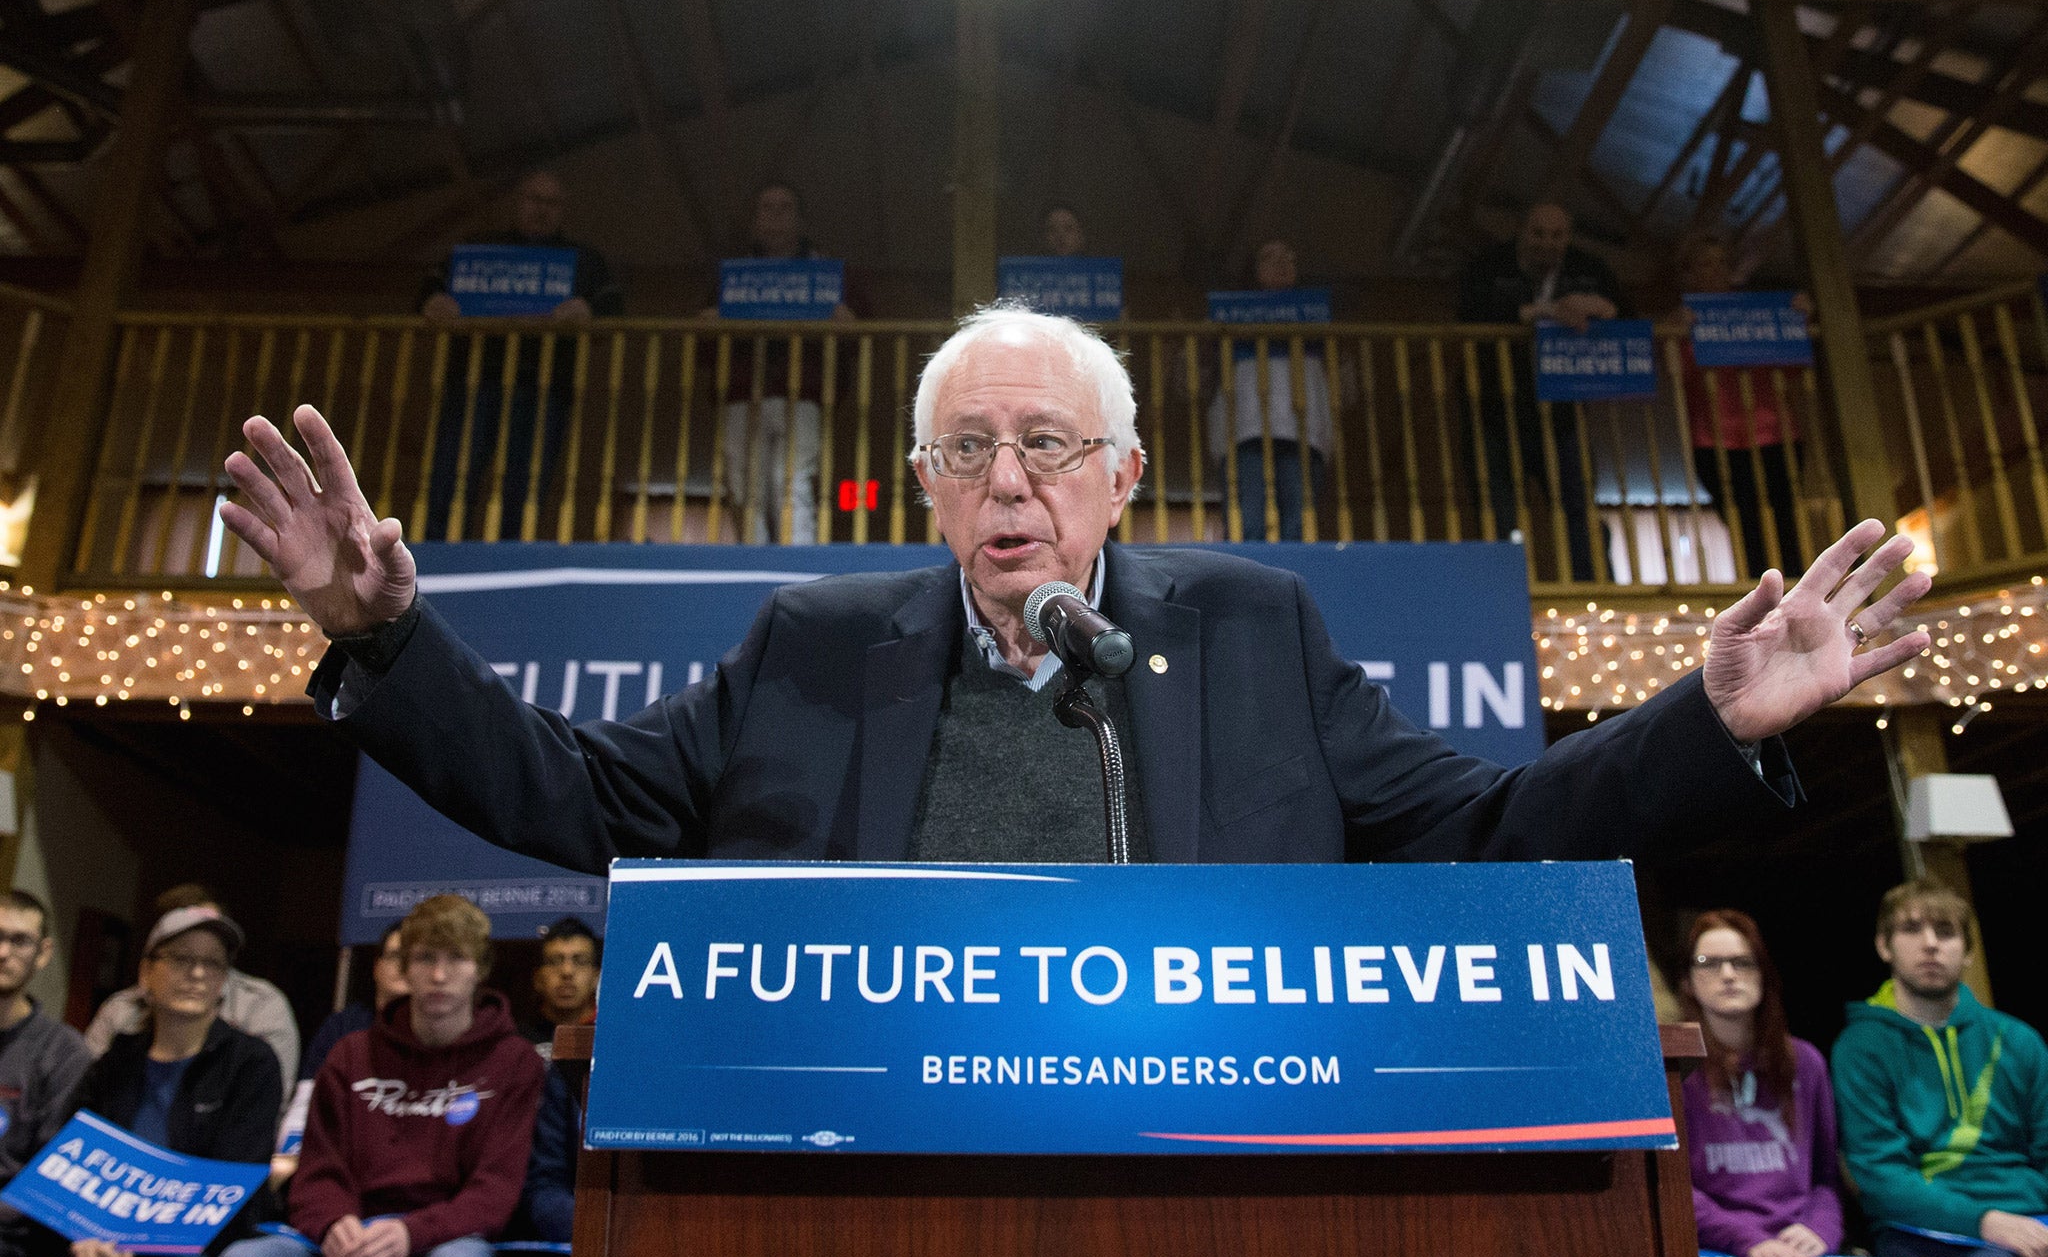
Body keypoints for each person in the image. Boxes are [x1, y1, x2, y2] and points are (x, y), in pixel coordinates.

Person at [222, 304, 1928, 876]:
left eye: (1046, 443)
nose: (1008, 483)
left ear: (1123, 475)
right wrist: (382, 635)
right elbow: (568, 793)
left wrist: (1706, 719)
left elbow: (1491, 829)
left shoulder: (1254, 630)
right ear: (922, 489)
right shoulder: (809, 650)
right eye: (968, 451)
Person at [208, 895, 544, 1257]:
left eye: (456, 958)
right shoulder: (351, 1054)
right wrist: (333, 1222)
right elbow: (318, 1170)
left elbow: (495, 1191)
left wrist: (410, 1232)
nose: (439, 975)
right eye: (424, 959)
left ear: (481, 969)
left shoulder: (514, 1061)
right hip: (352, 1236)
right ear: (403, 969)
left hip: (445, 1243)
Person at [17, 906, 282, 1257]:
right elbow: (68, 1158)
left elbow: (232, 1184)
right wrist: (82, 1237)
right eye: (182, 959)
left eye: (212, 964)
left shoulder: (250, 1064)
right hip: (98, 1241)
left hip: (200, 1248)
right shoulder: (114, 1063)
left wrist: (135, 1244)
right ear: (146, 973)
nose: (197, 974)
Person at [1832, 880, 2048, 1257]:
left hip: (2031, 1215)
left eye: (1945, 932)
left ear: (1967, 952)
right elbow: (1881, 1177)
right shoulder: (1860, 1047)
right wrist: (1986, 1221)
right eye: (1911, 930)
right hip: (1922, 1228)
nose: (1930, 944)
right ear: (1884, 946)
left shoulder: (2017, 1039)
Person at [1679, 910, 1891, 1257]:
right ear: (1688, 981)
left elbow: (1826, 1179)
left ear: (1764, 974)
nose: (1728, 974)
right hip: (1722, 1249)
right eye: (1710, 963)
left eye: (1742, 962)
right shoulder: (1676, 1071)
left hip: (1798, 1240)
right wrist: (1746, 1239)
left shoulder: (1805, 1062)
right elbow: (1677, 1191)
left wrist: (1820, 1230)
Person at [418, 170, 623, 542]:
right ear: (518, 203)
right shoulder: (481, 250)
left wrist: (587, 309)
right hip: (474, 380)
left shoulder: (584, 260)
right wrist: (435, 300)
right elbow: (431, 285)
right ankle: (441, 550)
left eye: (551, 203)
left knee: (524, 482)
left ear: (563, 211)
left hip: (543, 387)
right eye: (534, 200)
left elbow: (613, 304)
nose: (541, 210)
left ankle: (509, 554)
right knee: (453, 474)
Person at [1456, 201, 1627, 581]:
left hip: (1563, 413)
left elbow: (1626, 310)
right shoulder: (1488, 266)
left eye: (1557, 235)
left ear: (1567, 238)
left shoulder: (1589, 269)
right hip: (1494, 409)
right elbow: (1470, 309)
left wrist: (1602, 306)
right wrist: (1539, 312)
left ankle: (1596, 591)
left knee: (1578, 509)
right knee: (1501, 513)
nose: (1547, 243)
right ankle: (1507, 595)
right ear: (1522, 232)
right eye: (1538, 233)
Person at [717, 181, 859, 546]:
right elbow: (707, 328)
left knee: (793, 479)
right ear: (754, 219)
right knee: (743, 481)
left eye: (785, 209)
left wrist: (848, 321)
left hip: (803, 390)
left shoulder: (825, 272)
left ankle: (798, 559)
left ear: (800, 220)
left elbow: (858, 326)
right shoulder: (736, 274)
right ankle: (754, 558)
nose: (776, 217)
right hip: (743, 390)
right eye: (767, 208)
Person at [1669, 235, 1810, 578]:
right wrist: (1676, 333)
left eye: (1720, 264)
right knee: (1744, 523)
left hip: (1774, 430)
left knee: (1785, 518)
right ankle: (1762, 592)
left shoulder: (1759, 313)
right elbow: (1678, 375)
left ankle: (1794, 590)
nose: (1714, 271)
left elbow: (1792, 366)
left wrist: (1797, 320)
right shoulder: (1683, 320)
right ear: (1689, 274)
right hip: (1715, 439)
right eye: (1704, 264)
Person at [85, 886, 299, 1091]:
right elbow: (89, 1102)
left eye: (212, 958)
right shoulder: (121, 1023)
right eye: (182, 957)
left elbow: (267, 1104)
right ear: (148, 968)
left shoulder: (261, 1007)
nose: (198, 973)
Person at [1207, 238, 1333, 542]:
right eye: (1270, 257)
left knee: (1300, 525)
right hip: (1245, 431)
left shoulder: (1317, 318)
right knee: (1247, 524)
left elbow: (1347, 387)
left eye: (1289, 256)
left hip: (1303, 432)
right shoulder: (1229, 319)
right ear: (1253, 268)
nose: (1282, 262)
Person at [0, 890, 93, 1257]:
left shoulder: (64, 1053)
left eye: (19, 941)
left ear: (43, 953)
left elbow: (49, 1179)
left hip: (14, 1236)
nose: (2, 952)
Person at [272, 924, 410, 1185]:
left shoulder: (441, 1035)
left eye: (415, 959)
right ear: (376, 967)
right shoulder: (343, 1027)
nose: (404, 967)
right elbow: (306, 1106)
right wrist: (291, 1160)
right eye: (394, 956)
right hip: (334, 1167)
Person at [516, 1068, 578, 1257]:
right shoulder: (567, 1073)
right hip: (581, 1239)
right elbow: (544, 1186)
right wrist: (596, 1228)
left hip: (683, 1231)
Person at [522, 917, 598, 1059]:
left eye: (580, 961)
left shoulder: (610, 1038)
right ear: (538, 978)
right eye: (555, 961)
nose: (567, 972)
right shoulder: (518, 1043)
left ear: (596, 977)